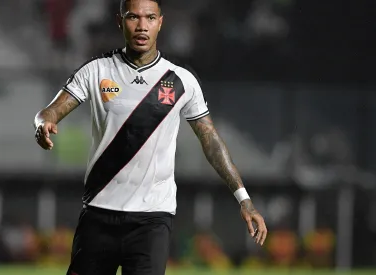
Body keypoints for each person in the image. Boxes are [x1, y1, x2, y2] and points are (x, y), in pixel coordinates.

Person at [33, 1, 268, 274]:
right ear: (120, 21)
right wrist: (44, 122)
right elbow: (50, 110)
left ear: (160, 22)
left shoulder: (182, 80)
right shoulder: (96, 70)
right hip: (99, 213)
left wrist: (244, 199)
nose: (142, 25)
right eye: (133, 17)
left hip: (151, 220)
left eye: (150, 17)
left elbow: (211, 140)